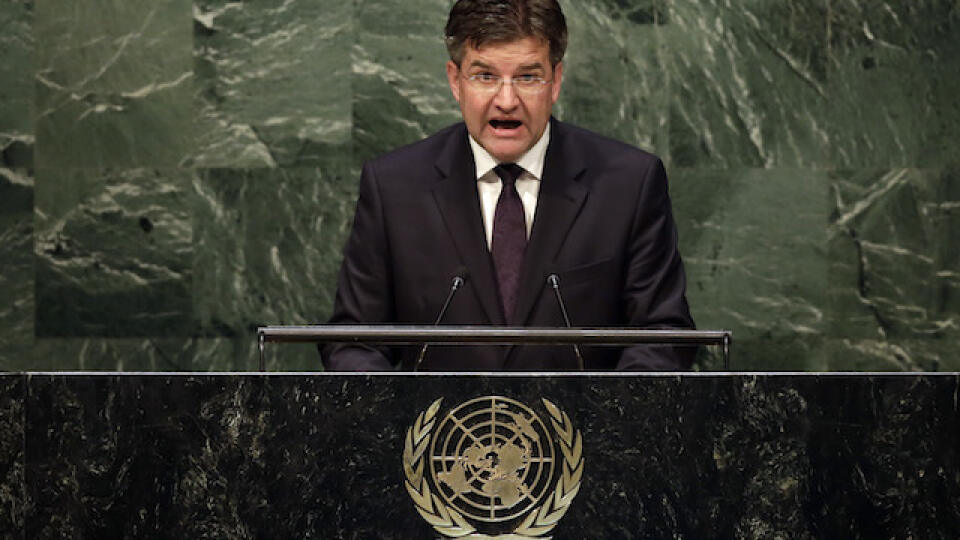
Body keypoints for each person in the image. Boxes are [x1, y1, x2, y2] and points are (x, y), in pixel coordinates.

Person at [322, 0, 695, 371]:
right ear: (455, 81)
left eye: (527, 77)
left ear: (556, 80)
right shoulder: (394, 187)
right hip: (438, 428)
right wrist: (399, 422)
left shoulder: (628, 184)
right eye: (485, 76)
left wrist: (604, 421)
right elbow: (354, 341)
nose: (506, 101)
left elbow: (661, 335)